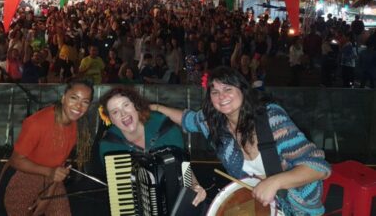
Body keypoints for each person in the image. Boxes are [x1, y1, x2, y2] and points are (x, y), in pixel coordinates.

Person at [150, 66, 331, 215]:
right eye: (215, 92)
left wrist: (274, 182)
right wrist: (156, 107)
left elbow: (318, 168)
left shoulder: (270, 117)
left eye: (228, 89)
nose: (222, 96)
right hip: (257, 207)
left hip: (298, 209)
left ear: (242, 90)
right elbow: (186, 119)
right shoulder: (214, 124)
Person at [97, 87, 207, 208]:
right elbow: (120, 190)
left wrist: (195, 185)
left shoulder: (165, 129)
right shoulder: (109, 146)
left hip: (174, 205)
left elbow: (184, 168)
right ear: (111, 119)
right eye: (115, 112)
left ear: (136, 106)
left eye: (126, 105)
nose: (123, 114)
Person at [0, 79, 94, 215]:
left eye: (85, 102)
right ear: (63, 98)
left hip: (51, 179)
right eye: (74, 98)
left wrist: (48, 197)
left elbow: (58, 169)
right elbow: (16, 160)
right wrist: (50, 172)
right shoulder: (37, 123)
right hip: (21, 178)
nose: (78, 106)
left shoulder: (76, 126)